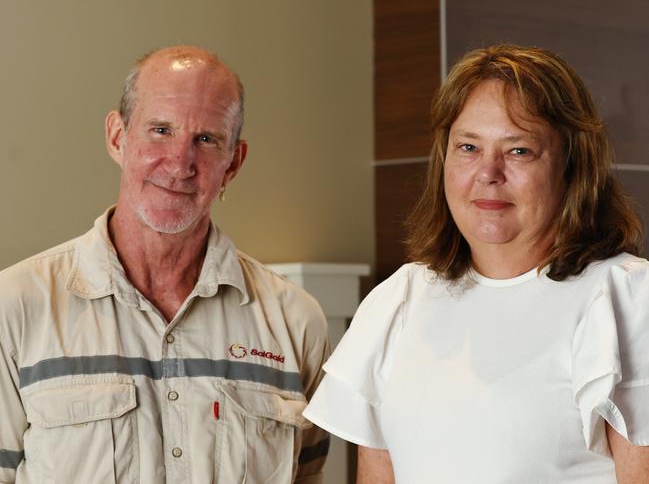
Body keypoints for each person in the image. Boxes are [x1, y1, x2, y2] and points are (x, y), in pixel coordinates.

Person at [303, 44, 649, 483]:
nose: (489, 172)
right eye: (468, 146)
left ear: (572, 165)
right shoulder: (398, 300)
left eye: (519, 150)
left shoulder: (626, 299)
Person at [0, 46, 330, 483]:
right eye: (160, 130)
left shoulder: (296, 322)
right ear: (118, 137)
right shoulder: (17, 306)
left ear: (233, 162)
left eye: (206, 139)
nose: (179, 164)